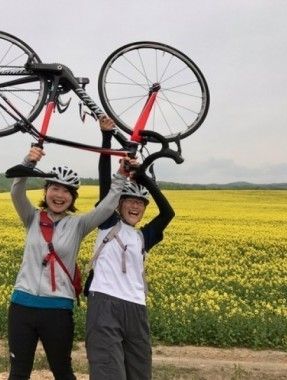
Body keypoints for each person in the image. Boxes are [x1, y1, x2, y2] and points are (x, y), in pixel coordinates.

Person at [8, 137, 135, 380]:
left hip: (57, 310)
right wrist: (29, 162)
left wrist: (121, 175)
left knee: (63, 372)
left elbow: (107, 207)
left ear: (72, 198)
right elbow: (16, 191)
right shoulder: (32, 217)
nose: (60, 194)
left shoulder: (77, 225)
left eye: (67, 190)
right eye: (55, 187)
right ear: (46, 191)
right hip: (21, 307)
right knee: (18, 373)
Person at [85, 117, 175, 380]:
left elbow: (168, 213)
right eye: (129, 201)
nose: (135, 207)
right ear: (119, 204)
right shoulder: (108, 222)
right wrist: (105, 137)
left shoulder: (143, 237)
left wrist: (144, 179)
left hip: (137, 307)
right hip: (104, 302)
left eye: (141, 204)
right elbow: (105, 182)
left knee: (140, 374)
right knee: (107, 373)